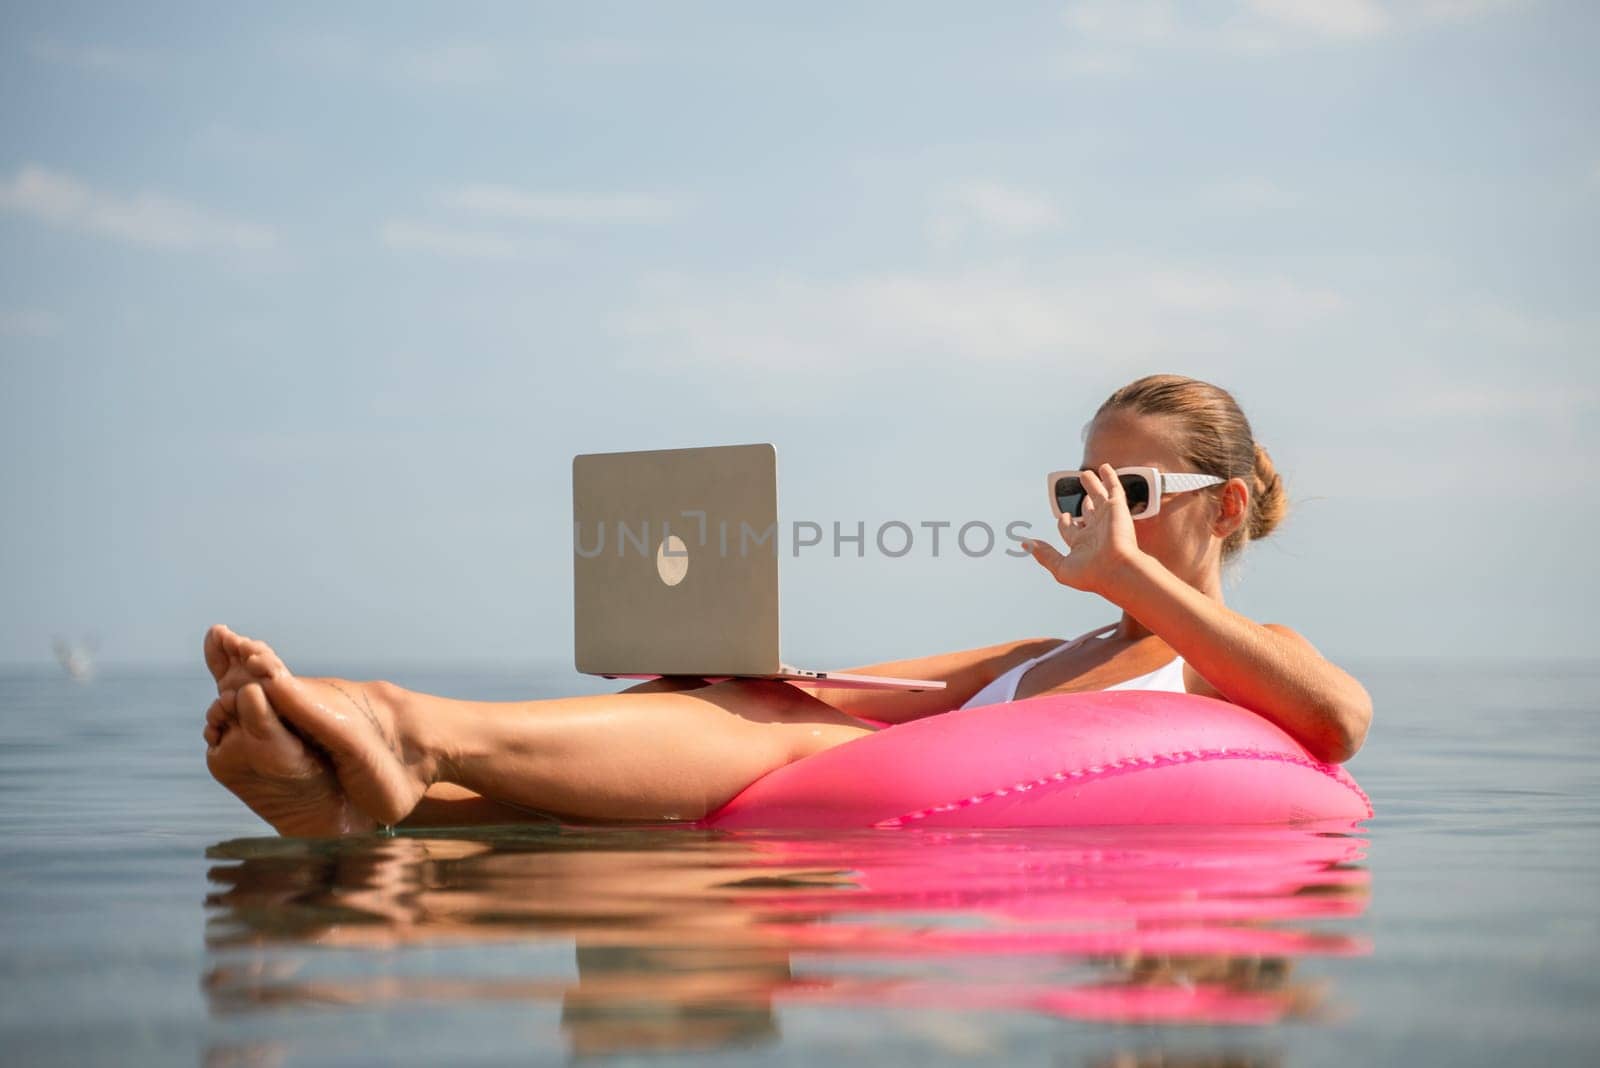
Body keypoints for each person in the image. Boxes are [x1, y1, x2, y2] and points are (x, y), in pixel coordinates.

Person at [201, 374, 1373, 837]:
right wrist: (730, 665)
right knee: (749, 704)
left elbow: (1337, 724)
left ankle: (403, 726)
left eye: (1126, 490)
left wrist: (1129, 581)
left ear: (1221, 511)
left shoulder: (1239, 657)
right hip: (835, 825)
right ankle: (355, 788)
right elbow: (873, 692)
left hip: (889, 877)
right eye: (1078, 487)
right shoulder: (1046, 646)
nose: (1093, 512)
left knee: (771, 738)